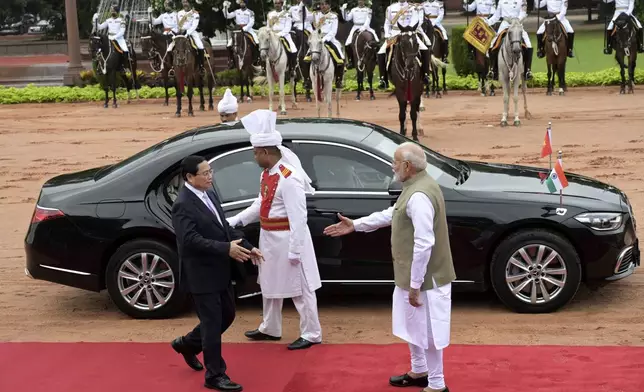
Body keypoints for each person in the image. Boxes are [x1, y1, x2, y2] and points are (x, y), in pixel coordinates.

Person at [323, 142, 455, 392]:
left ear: (407, 166)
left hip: (426, 279)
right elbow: (393, 213)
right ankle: (419, 371)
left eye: (395, 162)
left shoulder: (419, 195)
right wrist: (357, 225)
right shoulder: (415, 186)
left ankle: (437, 384)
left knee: (429, 332)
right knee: (413, 325)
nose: (392, 167)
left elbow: (424, 243)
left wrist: (415, 285)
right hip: (411, 275)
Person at [226, 109, 323, 351]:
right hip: (269, 237)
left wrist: (295, 250)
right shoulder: (267, 174)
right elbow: (261, 203)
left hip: (289, 237)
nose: (254, 157)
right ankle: (270, 326)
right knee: (269, 283)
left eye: (256, 153)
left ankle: (311, 332)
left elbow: (299, 217)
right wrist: (236, 220)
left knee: (301, 288)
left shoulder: (289, 178)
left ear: (266, 152)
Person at [170, 155, 263, 391]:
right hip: (200, 273)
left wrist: (248, 246)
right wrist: (226, 249)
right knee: (212, 324)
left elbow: (223, 227)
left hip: (220, 269)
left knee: (227, 316)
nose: (210, 176)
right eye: (205, 173)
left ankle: (188, 344)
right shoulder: (183, 204)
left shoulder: (210, 193)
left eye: (211, 171)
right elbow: (188, 240)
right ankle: (215, 375)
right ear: (190, 177)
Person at [377, 0, 430, 89]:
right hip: (394, 34)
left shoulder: (412, 8)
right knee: (381, 52)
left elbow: (415, 20)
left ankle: (425, 75)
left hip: (409, 33)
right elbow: (387, 23)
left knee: (424, 48)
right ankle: (383, 79)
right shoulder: (390, 8)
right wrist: (387, 34)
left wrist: (408, 31)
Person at [485, 0, 534, 81]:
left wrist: (516, 20)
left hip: (517, 25)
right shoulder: (501, 1)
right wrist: (487, 22)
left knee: (528, 44)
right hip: (505, 25)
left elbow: (523, 13)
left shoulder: (521, 1)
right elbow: (496, 16)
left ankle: (527, 71)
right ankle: (493, 70)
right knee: (492, 44)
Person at [310, 0, 345, 88]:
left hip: (329, 39)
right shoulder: (315, 15)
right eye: (321, 4)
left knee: (339, 57)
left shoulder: (333, 16)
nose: (323, 6)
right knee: (307, 57)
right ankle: (307, 80)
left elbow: (333, 31)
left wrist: (324, 40)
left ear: (329, 5)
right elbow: (304, 18)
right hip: (317, 40)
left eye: (325, 4)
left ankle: (339, 79)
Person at [340, 0, 379, 69]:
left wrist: (364, 27)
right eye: (359, 0)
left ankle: (376, 58)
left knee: (376, 40)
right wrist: (343, 10)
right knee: (347, 43)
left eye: (362, 0)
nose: (361, 1)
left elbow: (368, 20)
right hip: (356, 27)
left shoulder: (368, 10)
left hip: (366, 27)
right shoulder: (354, 10)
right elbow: (347, 18)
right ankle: (351, 60)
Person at [93, 4, 131, 69]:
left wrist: (115, 36)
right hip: (109, 38)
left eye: (114, 11)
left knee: (125, 49)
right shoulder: (108, 20)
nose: (112, 12)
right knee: (99, 49)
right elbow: (99, 27)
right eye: (111, 11)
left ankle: (124, 66)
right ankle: (100, 66)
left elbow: (122, 31)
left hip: (119, 38)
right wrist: (94, 20)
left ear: (117, 12)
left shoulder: (122, 20)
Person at [223, 0, 260, 67]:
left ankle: (257, 59)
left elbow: (251, 22)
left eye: (243, 3)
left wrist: (244, 29)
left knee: (256, 41)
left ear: (246, 3)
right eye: (241, 3)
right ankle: (231, 60)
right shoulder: (237, 12)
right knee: (229, 44)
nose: (242, 4)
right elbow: (227, 16)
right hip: (238, 29)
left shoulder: (250, 12)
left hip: (248, 29)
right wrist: (225, 7)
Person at [267, 0, 298, 77]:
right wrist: (270, 33)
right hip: (272, 34)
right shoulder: (270, 14)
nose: (277, 5)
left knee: (293, 49)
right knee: (263, 47)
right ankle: (264, 67)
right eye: (276, 3)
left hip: (284, 35)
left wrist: (279, 35)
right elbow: (268, 26)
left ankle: (292, 68)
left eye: (279, 3)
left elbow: (288, 27)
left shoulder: (287, 14)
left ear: (281, 4)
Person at [177, 0, 206, 75]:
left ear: (190, 3)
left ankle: (201, 66)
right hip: (181, 32)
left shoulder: (195, 13)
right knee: (170, 47)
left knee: (200, 46)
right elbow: (179, 25)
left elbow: (194, 25)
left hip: (192, 32)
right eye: (183, 2)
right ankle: (173, 67)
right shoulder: (179, 13)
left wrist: (187, 33)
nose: (185, 4)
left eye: (186, 2)